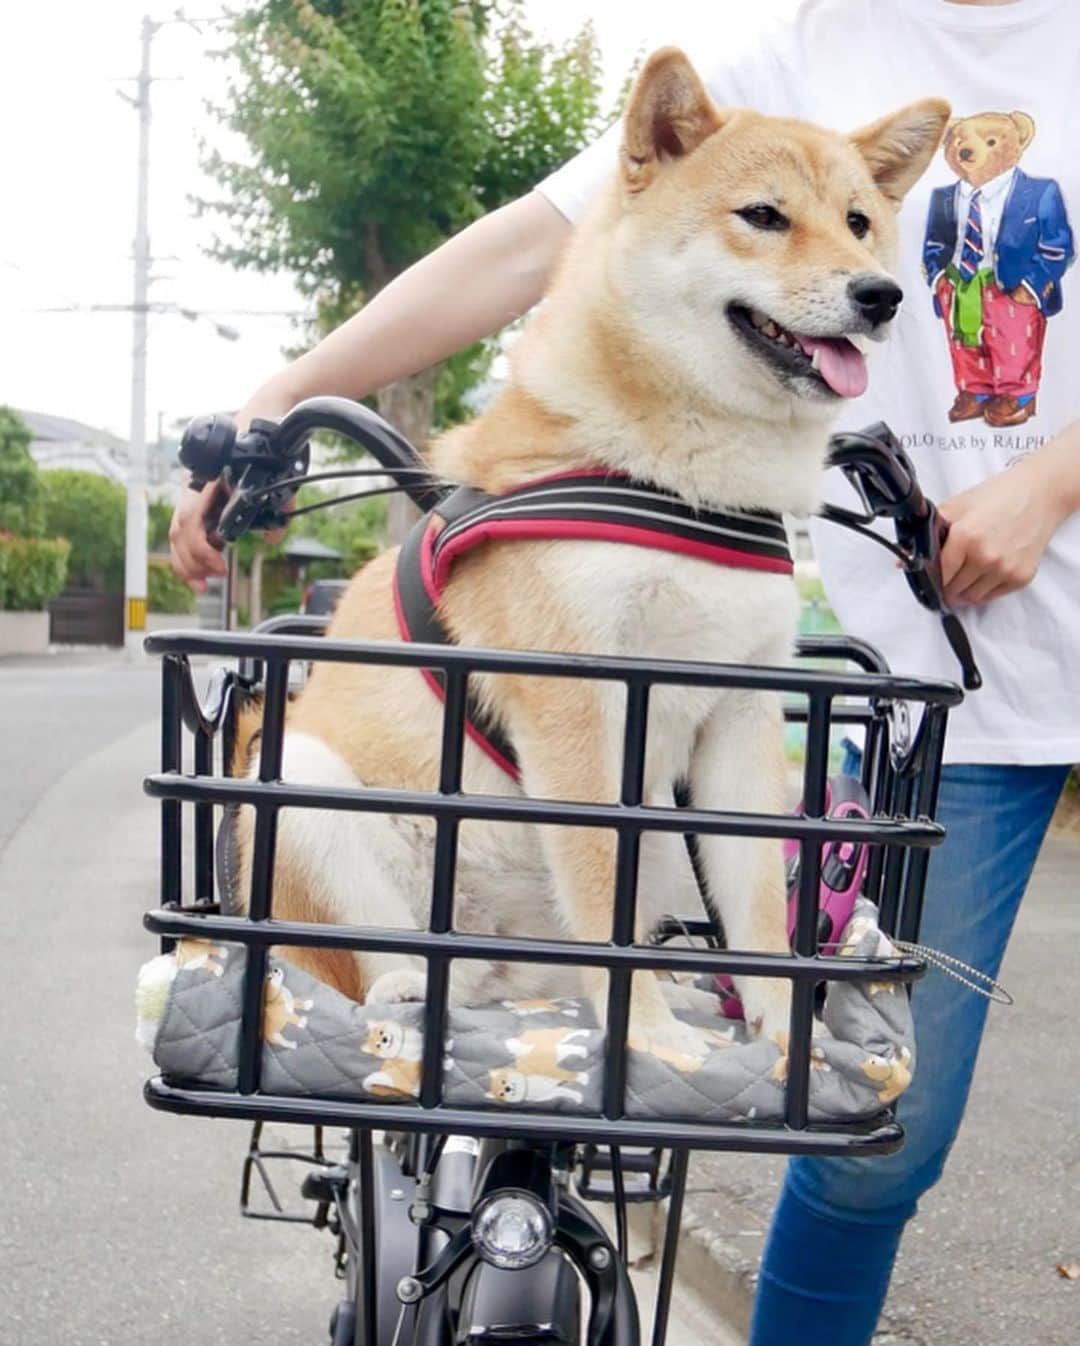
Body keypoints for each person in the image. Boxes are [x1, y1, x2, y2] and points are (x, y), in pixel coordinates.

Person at [170, 2, 1079, 1340]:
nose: (845, 262)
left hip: (979, 594)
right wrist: (280, 394)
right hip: (958, 664)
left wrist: (1051, 483)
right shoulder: (809, 50)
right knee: (878, 1147)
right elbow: (540, 239)